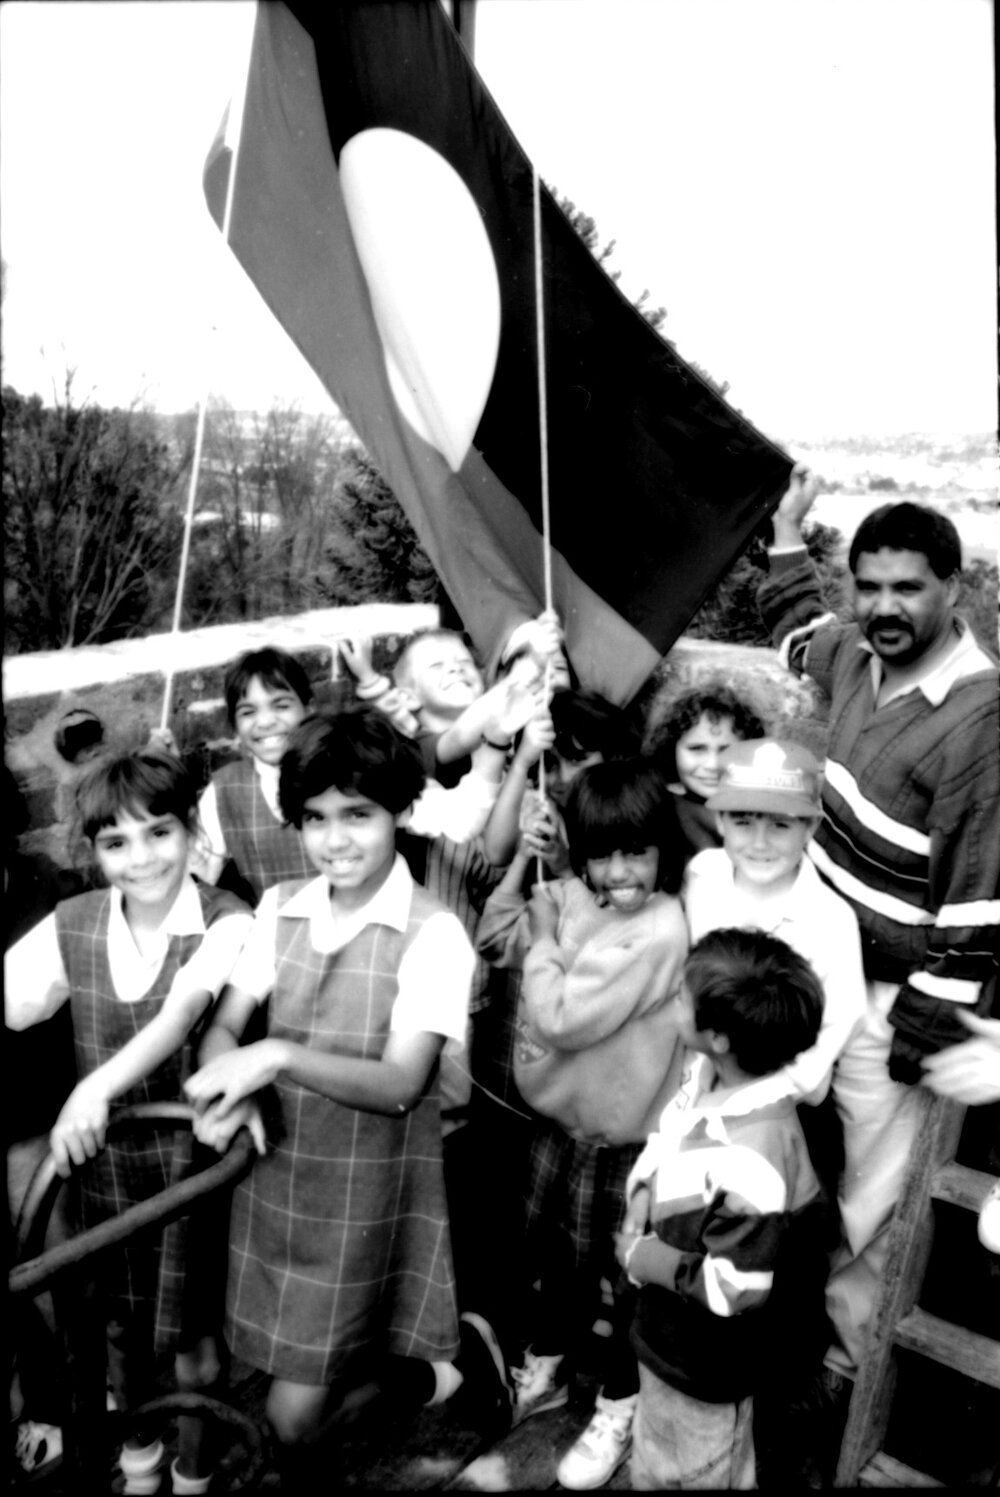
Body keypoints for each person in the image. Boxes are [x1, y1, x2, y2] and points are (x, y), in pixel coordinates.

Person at [183, 709, 505, 1489]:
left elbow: (401, 1085)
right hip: (280, 1180)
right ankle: (412, 1364)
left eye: (358, 814)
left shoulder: (431, 934)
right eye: (316, 819)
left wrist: (279, 1053)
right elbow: (222, 1028)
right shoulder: (279, 908)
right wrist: (233, 1086)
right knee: (269, 1361)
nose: (337, 840)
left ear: (398, 811)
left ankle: (442, 1372)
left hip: (368, 1187)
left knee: (292, 1420)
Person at [758, 470, 1000, 1412]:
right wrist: (786, 533)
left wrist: (926, 1032)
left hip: (894, 997)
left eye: (908, 587)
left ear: (954, 586)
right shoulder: (856, 652)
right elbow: (791, 632)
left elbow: (981, 901)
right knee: (804, 1153)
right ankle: (787, 1324)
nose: (885, 606)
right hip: (816, 962)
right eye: (870, 586)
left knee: (871, 1196)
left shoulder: (981, 718)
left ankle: (848, 1373)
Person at [5, 748, 254, 1496]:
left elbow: (182, 1014)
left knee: (194, 1341)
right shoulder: (72, 922)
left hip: (194, 1164)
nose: (140, 858)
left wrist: (92, 1091)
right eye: (116, 842)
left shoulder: (228, 919)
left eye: (159, 833)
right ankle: (138, 1464)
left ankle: (193, 1468)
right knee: (118, 1329)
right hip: (108, 1171)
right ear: (92, 850)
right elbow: (14, 999)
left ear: (191, 832)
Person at [477, 757, 689, 1490]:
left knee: (625, 1282)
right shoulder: (568, 892)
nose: (621, 871)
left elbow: (563, 1015)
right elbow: (489, 934)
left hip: (623, 1144)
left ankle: (621, 1399)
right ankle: (552, 1357)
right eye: (603, 853)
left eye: (638, 851)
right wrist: (531, 869)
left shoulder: (660, 929)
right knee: (556, 1263)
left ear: (664, 849)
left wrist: (545, 940)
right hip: (560, 1129)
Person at [618, 927, 827, 1490]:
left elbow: (734, 1289)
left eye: (682, 998)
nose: (673, 1001)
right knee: (660, 1458)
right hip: (669, 1344)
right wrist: (642, 1191)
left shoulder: (753, 1160)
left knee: (689, 1472)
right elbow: (668, 1138)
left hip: (706, 1368)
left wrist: (644, 1258)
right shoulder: (706, 1075)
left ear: (718, 1035)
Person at [646, 683, 766, 855]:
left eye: (727, 750)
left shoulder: (766, 807)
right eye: (697, 749)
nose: (712, 765)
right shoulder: (661, 810)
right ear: (671, 749)